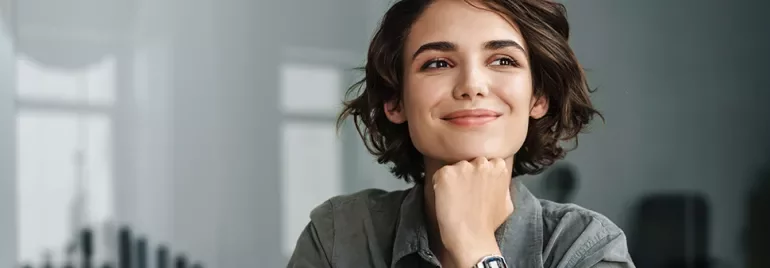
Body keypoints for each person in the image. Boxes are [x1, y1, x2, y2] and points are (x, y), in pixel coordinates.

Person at [288, 0, 635, 267]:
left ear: (538, 97)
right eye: (437, 63)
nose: (472, 85)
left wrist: (473, 245)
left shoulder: (587, 247)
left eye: (503, 60)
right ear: (395, 101)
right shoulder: (340, 236)